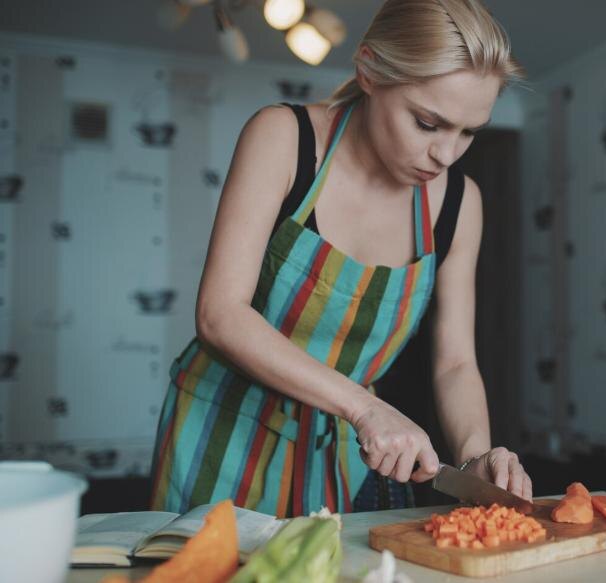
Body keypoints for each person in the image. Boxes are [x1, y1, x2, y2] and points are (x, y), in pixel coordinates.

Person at [149, 0, 531, 518]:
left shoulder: (460, 205)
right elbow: (220, 314)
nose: (446, 155)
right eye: (427, 123)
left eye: (468, 132)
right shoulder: (283, 137)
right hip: (219, 431)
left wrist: (474, 456)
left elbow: (456, 362)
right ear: (369, 71)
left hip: (339, 454)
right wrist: (366, 408)